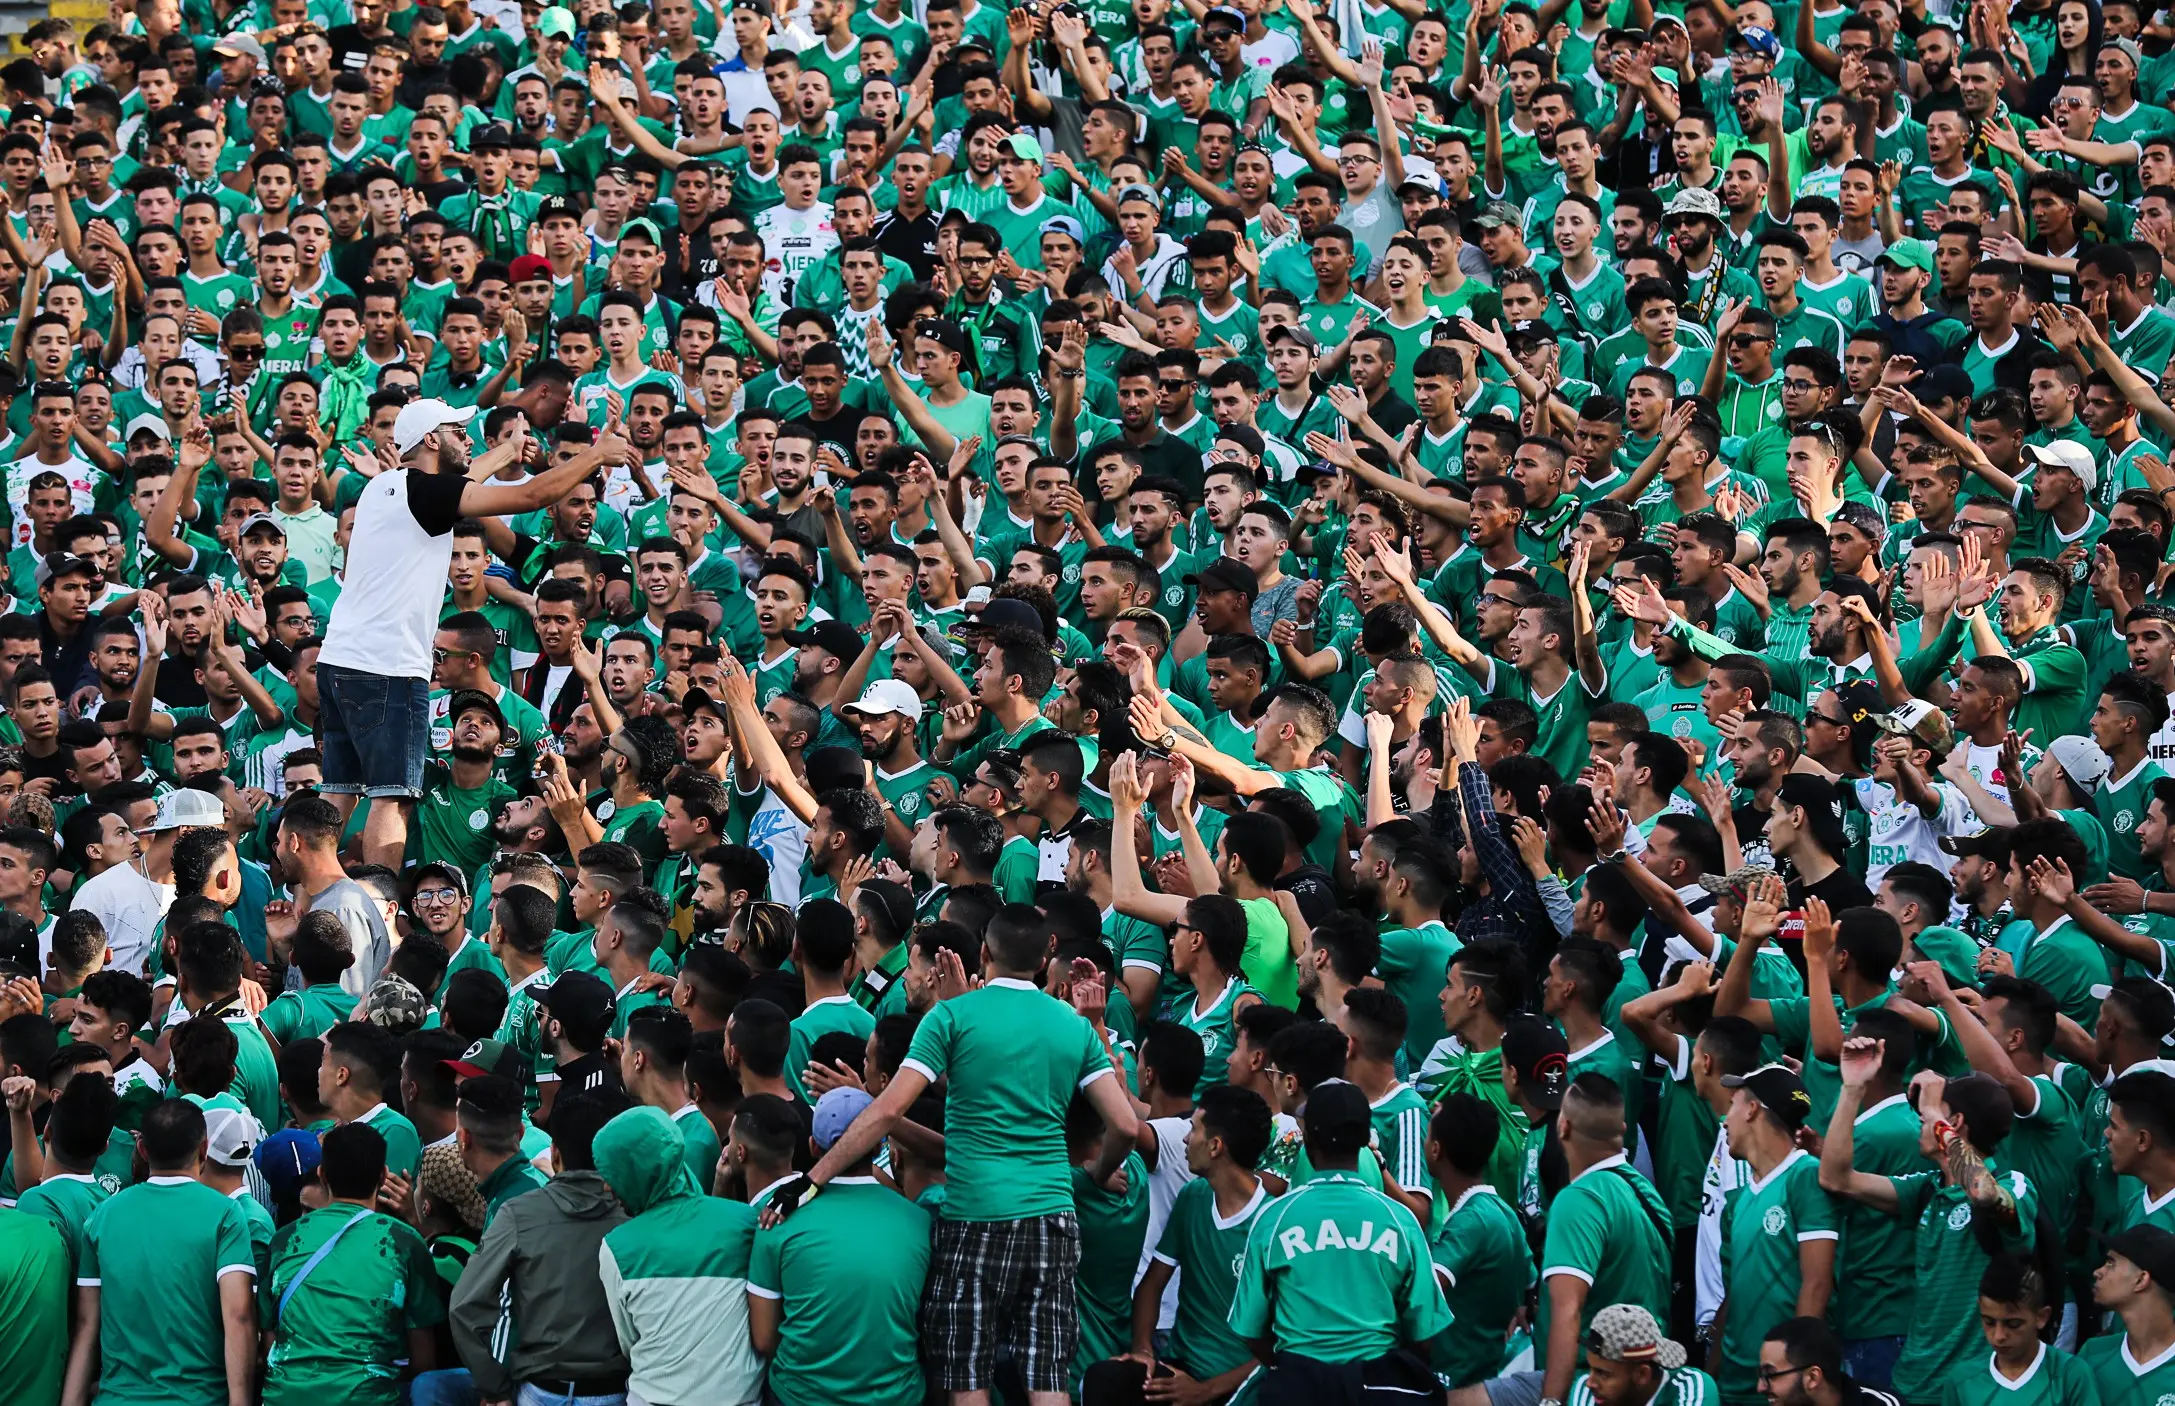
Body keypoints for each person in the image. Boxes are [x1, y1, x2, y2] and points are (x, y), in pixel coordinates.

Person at [765, 903, 1139, 1406]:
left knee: (968, 1384)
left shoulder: (950, 1017)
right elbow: (1125, 1125)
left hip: (974, 1219)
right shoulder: (1071, 1025)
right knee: (1048, 1381)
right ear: (1041, 958)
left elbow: (885, 1111)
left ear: (984, 951)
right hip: (1052, 1217)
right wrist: (1096, 1171)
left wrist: (811, 1179)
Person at [316, 399, 632, 869]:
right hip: (388, 667)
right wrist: (594, 455)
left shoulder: (384, 486)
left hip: (340, 661)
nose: (467, 438)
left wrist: (507, 451)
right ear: (429, 440)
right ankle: (384, 903)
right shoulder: (423, 491)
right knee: (392, 798)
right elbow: (528, 499)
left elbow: (466, 476)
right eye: (457, 430)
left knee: (338, 793)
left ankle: (305, 889)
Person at [1228, 1078, 1452, 1404]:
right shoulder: (1401, 1219)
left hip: (1298, 1386)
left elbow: (1249, 1331)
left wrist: (1295, 1370)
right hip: (1378, 1387)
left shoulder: (1273, 1218)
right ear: (1365, 1142)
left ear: (1309, 1138)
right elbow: (1426, 1334)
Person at [62, 1099, 257, 1406]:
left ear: (142, 1150)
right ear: (204, 1149)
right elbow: (239, 1315)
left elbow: (87, 1325)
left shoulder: (102, 1217)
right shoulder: (227, 1215)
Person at [446, 1091, 632, 1406]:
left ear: (555, 1154)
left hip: (541, 1390)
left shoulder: (518, 1214)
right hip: (613, 1390)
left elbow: (464, 1306)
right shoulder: (632, 1218)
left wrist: (494, 1387)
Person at [750, 1087, 933, 1406]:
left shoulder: (776, 1216)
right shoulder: (920, 1221)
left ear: (812, 1145)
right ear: (878, 1145)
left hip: (798, 1397)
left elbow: (765, 1339)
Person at [260, 1122, 444, 1406]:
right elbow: (423, 1362)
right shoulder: (404, 1242)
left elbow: (271, 1338)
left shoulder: (284, 1240)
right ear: (383, 1176)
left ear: (322, 1175)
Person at [593, 1103, 763, 1406]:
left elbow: (630, 1345)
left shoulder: (617, 1248)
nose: (607, 1187)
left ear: (638, 1170)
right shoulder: (747, 1223)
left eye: (614, 1171)